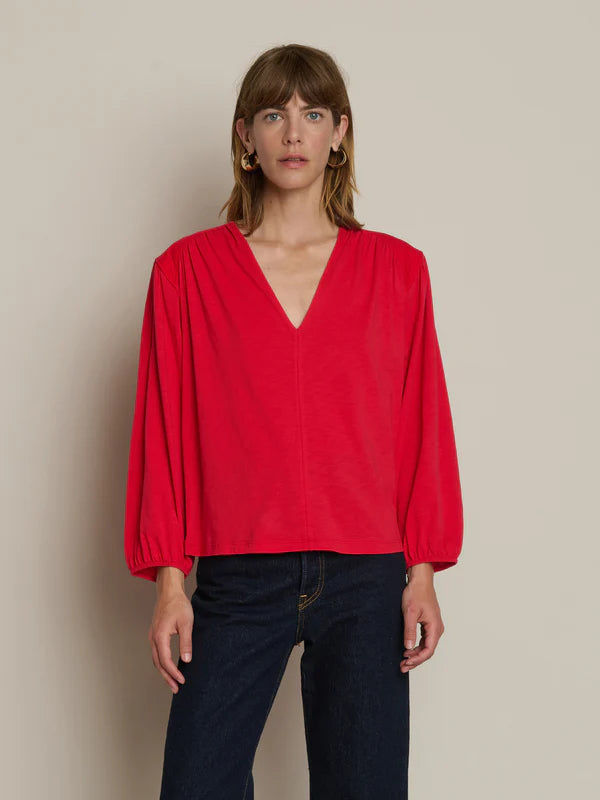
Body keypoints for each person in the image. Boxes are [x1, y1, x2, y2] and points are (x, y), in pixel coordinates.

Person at [123, 43, 463, 800]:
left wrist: (423, 571)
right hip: (238, 573)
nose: (294, 132)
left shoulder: (397, 270)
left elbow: (421, 424)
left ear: (340, 132)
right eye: (274, 114)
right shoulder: (186, 273)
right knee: (196, 784)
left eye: (313, 114)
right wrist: (170, 583)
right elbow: (164, 428)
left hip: (367, 577)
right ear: (245, 135)